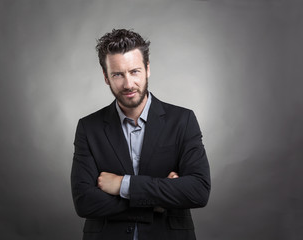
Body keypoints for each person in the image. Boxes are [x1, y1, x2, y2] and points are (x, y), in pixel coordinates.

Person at [71, 29, 210, 240]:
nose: (128, 84)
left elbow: (198, 191)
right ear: (106, 77)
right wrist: (158, 198)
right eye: (118, 74)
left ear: (147, 69)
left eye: (134, 71)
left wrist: (122, 185)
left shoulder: (183, 120)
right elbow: (84, 202)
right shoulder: (88, 127)